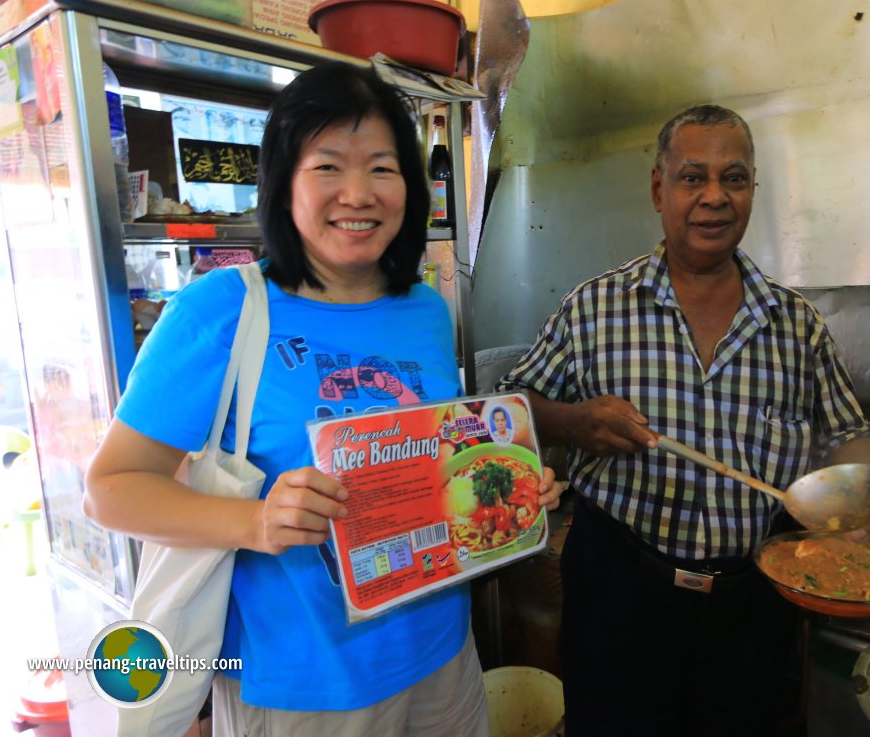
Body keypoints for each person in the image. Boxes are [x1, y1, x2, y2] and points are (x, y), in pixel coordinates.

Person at [84, 61, 561, 737]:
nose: (358, 194)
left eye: (383, 168)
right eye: (328, 166)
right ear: (284, 183)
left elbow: (434, 455)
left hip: (441, 657)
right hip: (303, 686)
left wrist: (505, 488)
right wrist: (254, 522)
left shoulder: (425, 308)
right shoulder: (222, 310)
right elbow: (110, 489)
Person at [497, 104, 870, 736]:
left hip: (751, 603)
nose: (714, 197)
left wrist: (869, 505)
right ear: (659, 188)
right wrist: (575, 422)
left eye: (734, 178)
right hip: (619, 591)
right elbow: (508, 411)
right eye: (694, 178)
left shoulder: (795, 325)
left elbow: (849, 435)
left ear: (752, 191)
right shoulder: (595, 308)